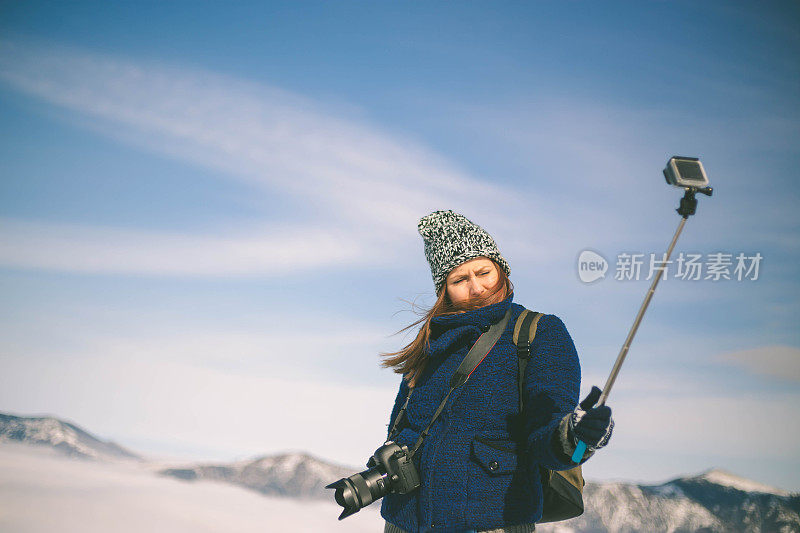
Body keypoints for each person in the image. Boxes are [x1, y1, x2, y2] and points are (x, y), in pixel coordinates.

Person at [380, 210, 613, 533]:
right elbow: (401, 428)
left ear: (501, 270)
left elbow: (549, 438)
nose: (476, 287)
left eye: (483, 272)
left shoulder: (538, 333)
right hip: (405, 523)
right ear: (443, 290)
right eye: (460, 280)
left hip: (492, 525)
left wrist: (576, 436)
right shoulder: (432, 344)